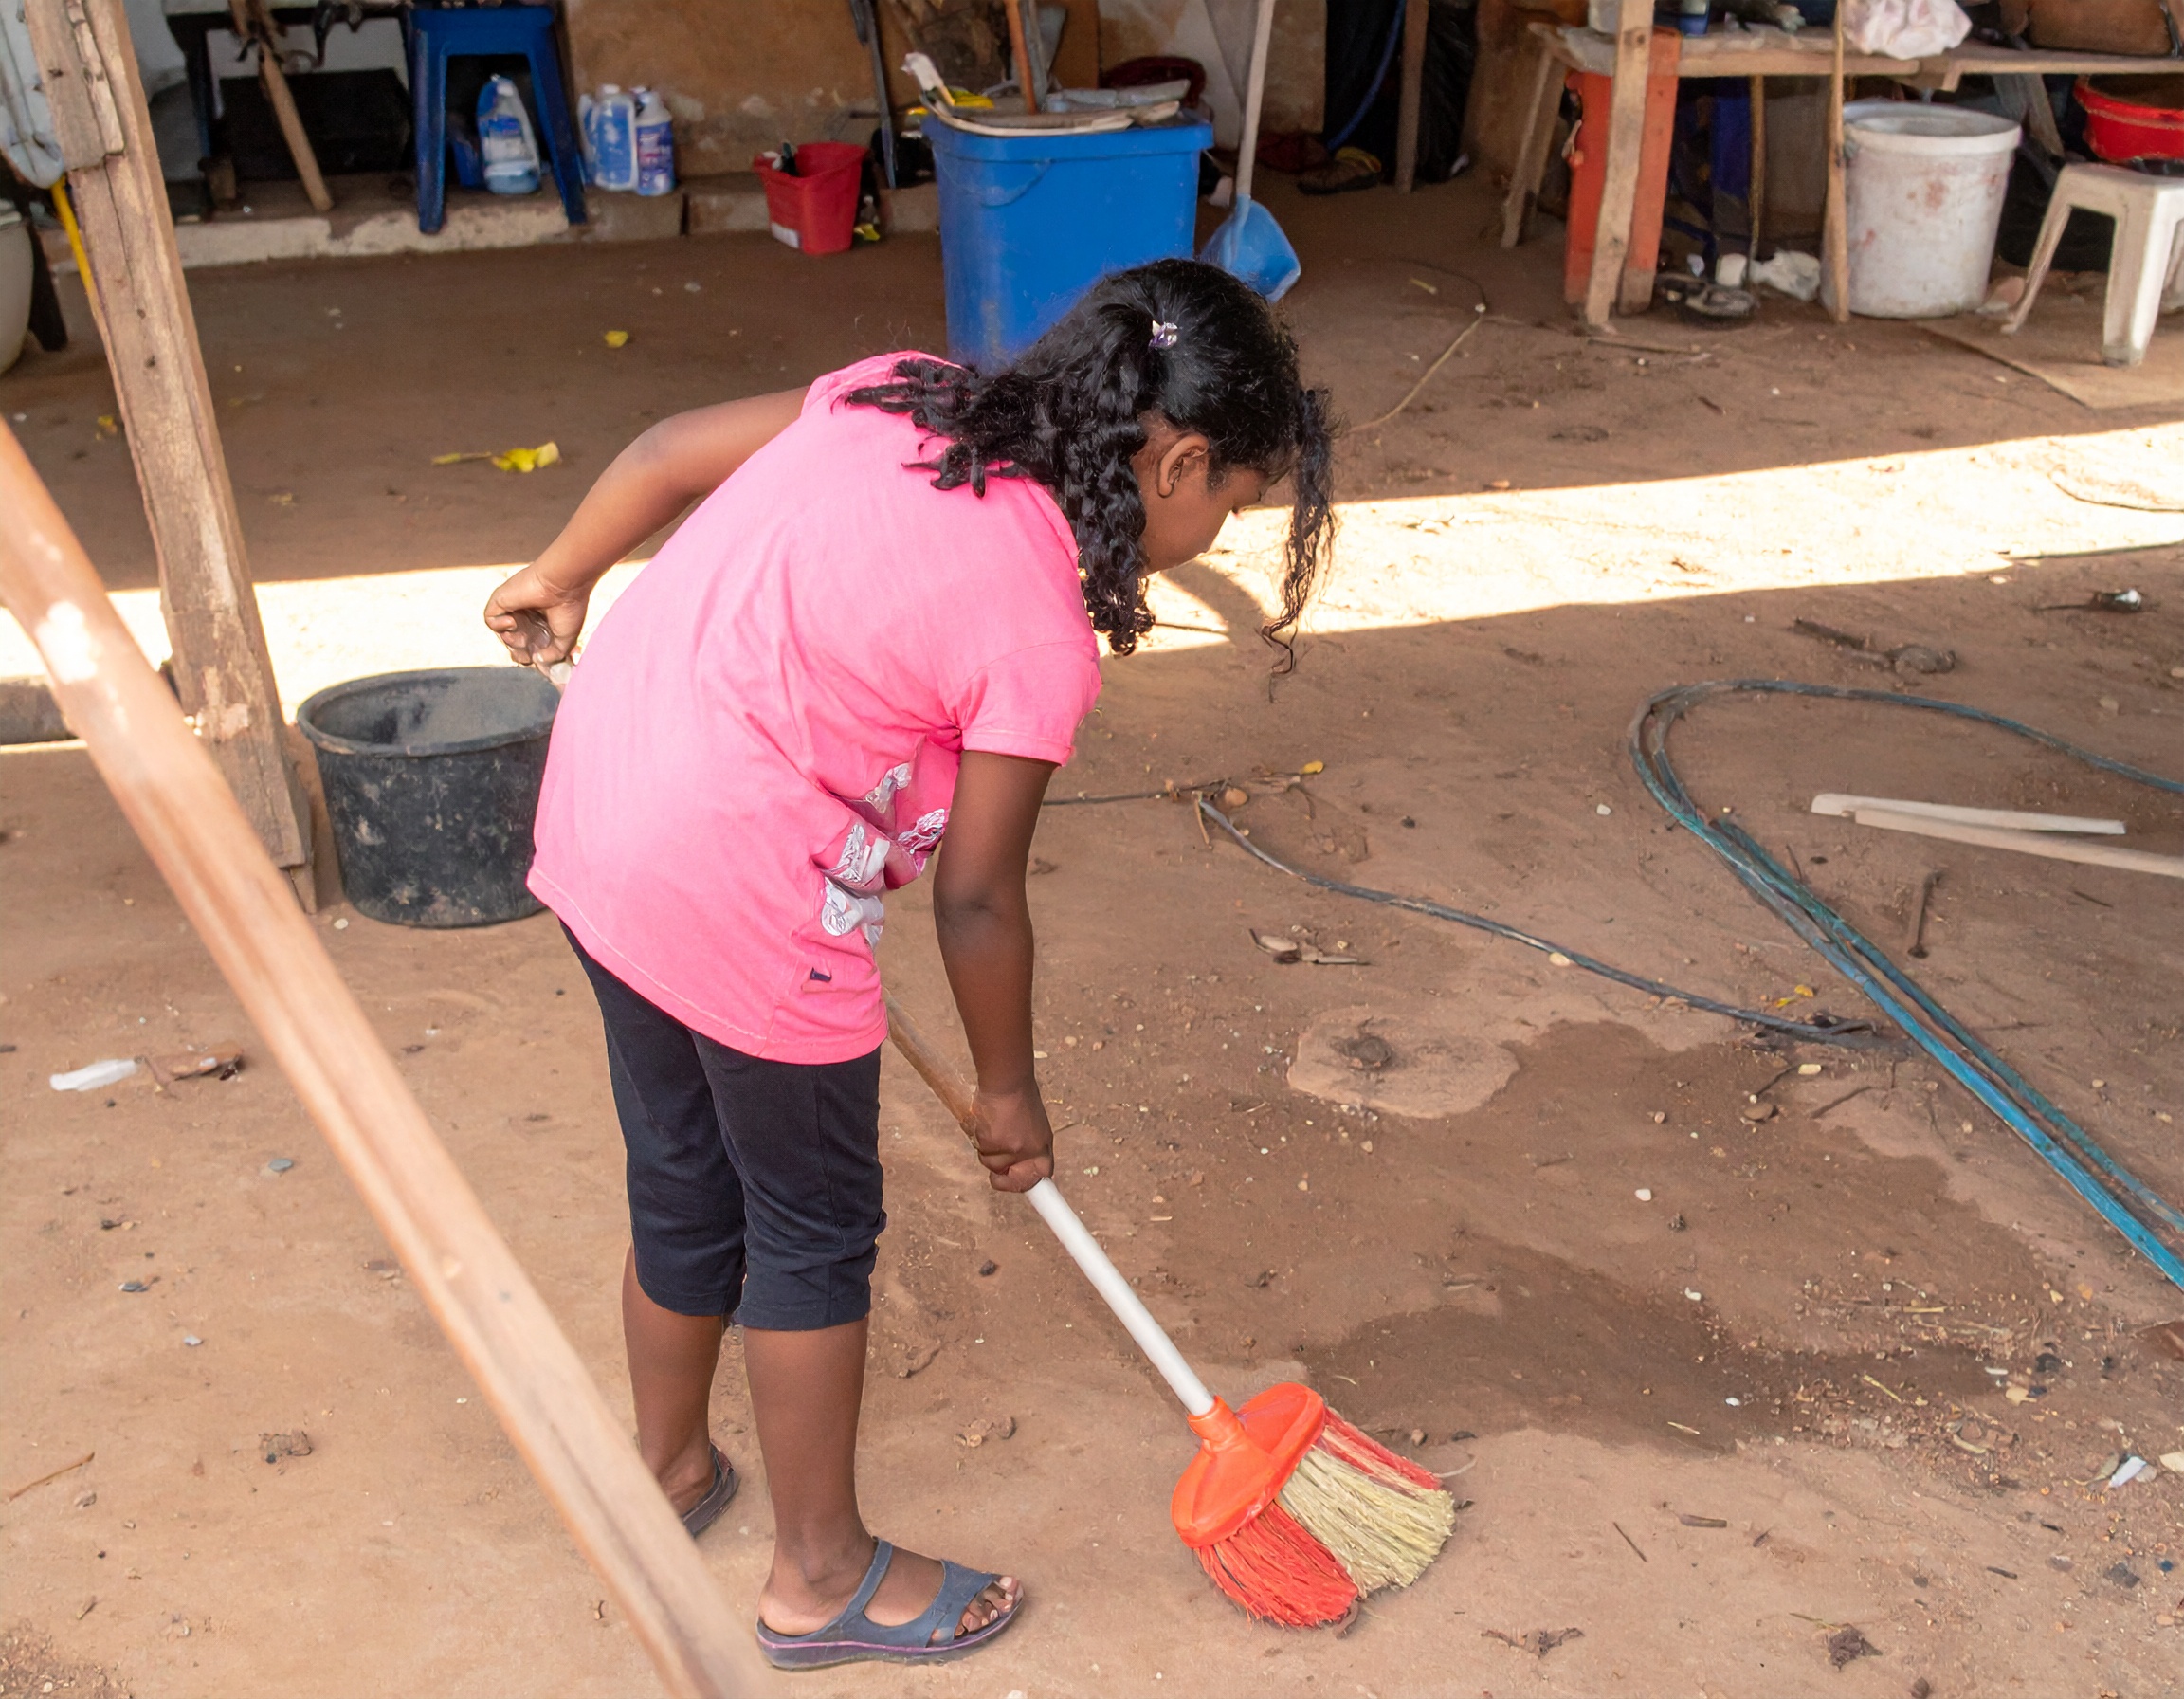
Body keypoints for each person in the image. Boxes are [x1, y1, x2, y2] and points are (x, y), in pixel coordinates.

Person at [482, 258, 1333, 1670]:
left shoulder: (900, 393)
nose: (1220, 529)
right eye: (1233, 502)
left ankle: (666, 1472)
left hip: (603, 812)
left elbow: (665, 451)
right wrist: (1011, 1094)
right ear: (1179, 462)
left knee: (685, 1172)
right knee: (812, 1228)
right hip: (739, 880)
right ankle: (821, 1578)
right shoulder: (1036, 625)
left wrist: (558, 575)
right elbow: (980, 900)